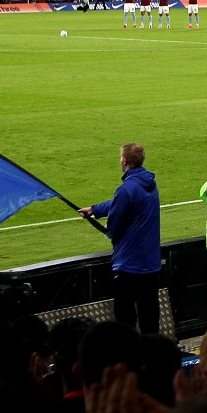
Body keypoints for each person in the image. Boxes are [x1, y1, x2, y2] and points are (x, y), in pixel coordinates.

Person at [78, 142, 162, 336]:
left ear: (124, 161)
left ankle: (129, 359)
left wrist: (111, 233)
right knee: (150, 318)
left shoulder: (126, 189)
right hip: (150, 263)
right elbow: (123, 202)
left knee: (125, 320)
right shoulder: (149, 183)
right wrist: (95, 209)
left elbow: (114, 225)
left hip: (129, 265)